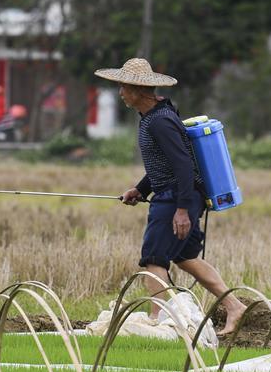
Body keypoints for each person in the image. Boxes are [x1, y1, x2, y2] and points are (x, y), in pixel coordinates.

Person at [94, 58, 246, 335]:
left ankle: (160, 321)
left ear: (136, 90)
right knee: (186, 256)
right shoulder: (154, 117)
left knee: (154, 259)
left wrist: (182, 210)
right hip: (177, 195)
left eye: (122, 88)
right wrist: (140, 189)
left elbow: (183, 165)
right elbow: (163, 164)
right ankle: (235, 307)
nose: (120, 93)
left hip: (176, 198)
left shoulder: (160, 122)